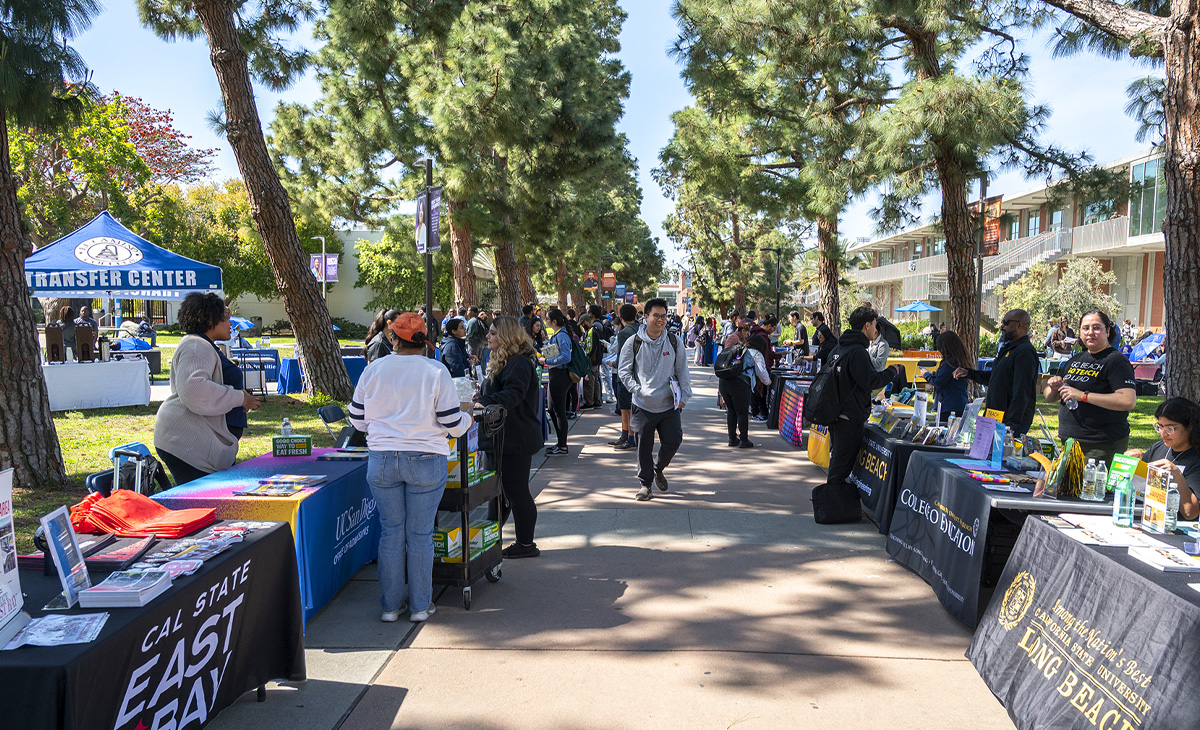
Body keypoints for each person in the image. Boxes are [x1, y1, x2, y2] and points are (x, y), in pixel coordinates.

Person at [349, 312, 471, 623]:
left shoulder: (373, 370)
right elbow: (452, 423)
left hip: (382, 459)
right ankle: (420, 605)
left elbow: (356, 419)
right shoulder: (435, 370)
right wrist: (469, 417)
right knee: (419, 534)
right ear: (423, 339)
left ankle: (390, 606)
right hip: (426, 459)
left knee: (391, 532)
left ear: (393, 338)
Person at [154, 293, 262, 485]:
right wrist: (239, 398)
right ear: (211, 320)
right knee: (200, 506)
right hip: (187, 445)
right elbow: (195, 391)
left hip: (193, 444)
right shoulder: (196, 346)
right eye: (226, 318)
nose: (231, 324)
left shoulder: (201, 345)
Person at [815, 305, 902, 524]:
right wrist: (893, 372)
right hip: (848, 418)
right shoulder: (857, 352)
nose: (876, 329)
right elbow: (870, 381)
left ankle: (834, 507)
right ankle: (832, 510)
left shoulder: (840, 348)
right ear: (866, 325)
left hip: (838, 415)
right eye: (875, 325)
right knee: (840, 466)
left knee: (839, 462)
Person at [476, 316, 545, 558]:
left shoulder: (518, 363)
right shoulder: (508, 361)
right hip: (503, 438)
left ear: (505, 336)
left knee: (516, 492)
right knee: (501, 493)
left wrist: (482, 402)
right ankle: (491, 539)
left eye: (493, 333)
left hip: (514, 439)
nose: (488, 336)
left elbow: (512, 396)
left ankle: (526, 544)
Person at [618, 298, 692, 501]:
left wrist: (685, 395)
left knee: (673, 441)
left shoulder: (674, 341)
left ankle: (658, 469)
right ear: (646, 317)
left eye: (663, 316)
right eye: (656, 316)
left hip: (669, 404)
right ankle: (645, 485)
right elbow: (624, 372)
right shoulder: (633, 342)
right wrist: (636, 390)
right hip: (643, 405)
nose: (660, 320)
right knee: (643, 447)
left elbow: (682, 370)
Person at [1043, 310, 1137, 465]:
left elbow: (1127, 400)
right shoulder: (1075, 359)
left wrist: (1083, 396)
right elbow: (1049, 396)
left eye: (1096, 328)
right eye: (1085, 328)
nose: (1090, 333)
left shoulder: (1116, 361)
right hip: (1069, 442)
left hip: (1100, 446)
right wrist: (1053, 387)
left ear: (1107, 331)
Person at [953, 309, 1040, 437]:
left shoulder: (1025, 352)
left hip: (1008, 422)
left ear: (1020, 325)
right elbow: (994, 378)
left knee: (1001, 456)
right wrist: (969, 373)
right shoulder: (1007, 348)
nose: (1002, 326)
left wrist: (1012, 425)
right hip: (993, 415)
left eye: (1006, 322)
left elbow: (1022, 391)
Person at [1131, 398, 1200, 521]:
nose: (1163, 434)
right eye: (1160, 427)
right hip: (1150, 519)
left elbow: (1191, 513)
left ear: (1190, 427)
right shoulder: (1159, 448)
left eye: (1170, 428)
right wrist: (1131, 465)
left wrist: (1177, 475)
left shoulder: (1195, 458)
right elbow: (1138, 489)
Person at [720, 325, 771, 448]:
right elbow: (761, 372)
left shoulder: (739, 348)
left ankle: (732, 438)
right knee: (742, 412)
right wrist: (768, 382)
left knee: (731, 410)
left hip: (724, 381)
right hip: (740, 384)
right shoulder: (756, 353)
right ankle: (744, 440)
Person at [542, 309, 575, 455]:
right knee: (552, 409)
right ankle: (561, 442)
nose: (545, 321)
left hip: (560, 375)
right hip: (555, 374)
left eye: (547, 319)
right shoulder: (557, 334)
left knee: (559, 410)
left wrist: (547, 360)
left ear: (554, 321)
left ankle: (563, 445)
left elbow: (566, 357)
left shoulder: (562, 335)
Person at [609, 304, 640, 451]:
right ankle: (628, 436)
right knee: (633, 408)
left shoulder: (623, 333)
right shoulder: (642, 329)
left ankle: (628, 437)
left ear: (620, 318)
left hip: (625, 375)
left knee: (625, 409)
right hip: (641, 374)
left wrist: (614, 364)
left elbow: (622, 355)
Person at [921, 330, 970, 419]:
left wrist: (926, 375)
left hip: (949, 406)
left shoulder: (950, 363)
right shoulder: (960, 360)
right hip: (960, 402)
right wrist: (938, 374)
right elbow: (946, 377)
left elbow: (939, 382)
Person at [580, 313, 603, 408]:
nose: (582, 326)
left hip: (591, 360)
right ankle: (597, 400)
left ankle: (589, 402)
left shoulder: (591, 332)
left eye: (582, 323)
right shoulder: (596, 329)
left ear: (586, 322)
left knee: (589, 381)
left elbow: (590, 348)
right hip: (597, 360)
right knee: (596, 381)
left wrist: (584, 356)